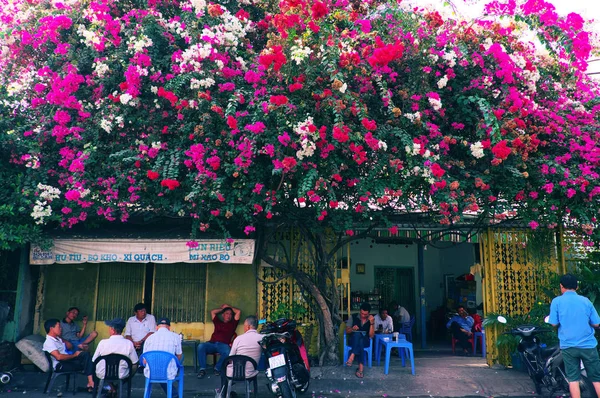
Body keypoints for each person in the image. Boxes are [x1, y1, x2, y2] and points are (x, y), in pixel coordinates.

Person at [549, 274, 600, 398]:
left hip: (569, 346)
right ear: (576, 287)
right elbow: (596, 323)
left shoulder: (557, 302)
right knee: (596, 378)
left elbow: (554, 323)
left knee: (573, 379)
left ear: (561, 286)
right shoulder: (586, 301)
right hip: (588, 345)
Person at [42, 318, 95, 392]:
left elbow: (70, 346)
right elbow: (59, 357)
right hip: (61, 365)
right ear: (51, 328)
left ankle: (91, 384)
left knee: (88, 357)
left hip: (67, 361)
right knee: (90, 362)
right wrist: (75, 355)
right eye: (59, 327)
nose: (61, 329)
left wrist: (60, 337)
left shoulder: (57, 339)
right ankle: (91, 383)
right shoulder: (49, 342)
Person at [217, 315, 263, 398]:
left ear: (248, 327)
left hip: (234, 373)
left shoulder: (238, 339)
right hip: (250, 373)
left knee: (223, 369)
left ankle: (223, 393)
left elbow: (230, 358)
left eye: (244, 326)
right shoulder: (262, 338)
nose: (244, 328)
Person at [92, 318, 139, 396]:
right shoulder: (128, 343)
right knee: (134, 366)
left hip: (103, 373)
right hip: (121, 374)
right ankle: (115, 387)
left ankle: (112, 387)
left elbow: (94, 360)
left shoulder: (102, 343)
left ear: (113, 330)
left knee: (103, 366)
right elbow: (135, 362)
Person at [196, 304, 241, 379]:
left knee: (227, 352)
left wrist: (228, 307)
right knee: (201, 346)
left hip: (223, 345)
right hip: (212, 343)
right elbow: (213, 312)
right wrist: (223, 308)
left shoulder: (233, 324)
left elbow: (238, 312)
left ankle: (217, 368)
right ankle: (202, 369)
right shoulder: (218, 322)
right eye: (227, 313)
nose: (229, 315)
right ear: (223, 315)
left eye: (230, 314)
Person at [142, 317, 183, 398]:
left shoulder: (149, 338)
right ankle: (174, 394)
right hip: (168, 373)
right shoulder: (175, 337)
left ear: (157, 327)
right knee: (178, 359)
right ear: (169, 327)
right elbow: (179, 355)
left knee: (158, 365)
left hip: (151, 373)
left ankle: (173, 394)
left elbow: (144, 361)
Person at [345, 302, 374, 379]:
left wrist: (371, 324)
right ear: (360, 311)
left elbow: (371, 336)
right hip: (353, 340)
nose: (363, 315)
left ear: (369, 313)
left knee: (361, 341)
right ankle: (360, 369)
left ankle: (352, 356)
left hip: (365, 341)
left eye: (365, 314)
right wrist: (352, 329)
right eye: (361, 313)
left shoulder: (371, 319)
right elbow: (347, 331)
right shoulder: (353, 317)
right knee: (357, 336)